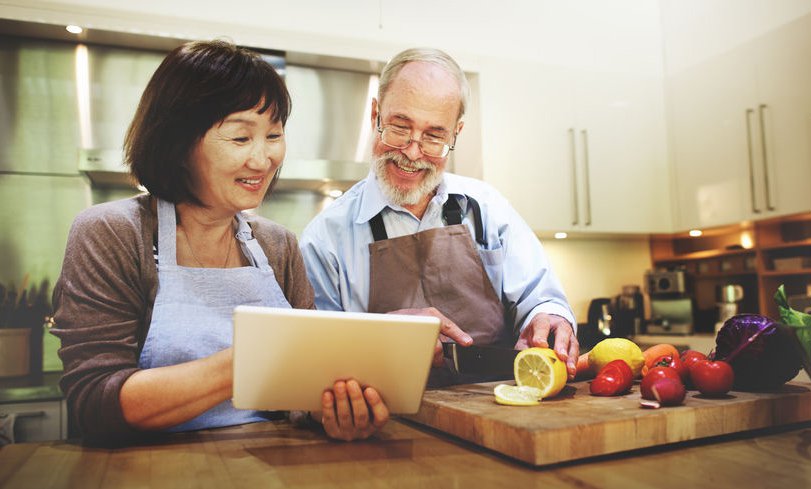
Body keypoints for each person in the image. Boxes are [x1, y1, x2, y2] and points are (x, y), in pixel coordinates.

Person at [51, 39, 386, 446]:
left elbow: (299, 394)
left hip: (268, 467)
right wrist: (250, 360)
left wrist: (331, 411)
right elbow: (94, 405)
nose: (263, 160)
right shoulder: (112, 234)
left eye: (274, 135)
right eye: (240, 138)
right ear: (179, 144)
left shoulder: (277, 245)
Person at [300, 47, 580, 386]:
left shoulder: (487, 207)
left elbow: (540, 298)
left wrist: (548, 317)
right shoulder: (325, 239)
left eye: (434, 136)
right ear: (375, 114)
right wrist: (380, 339)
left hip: (499, 411)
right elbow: (317, 361)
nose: (413, 152)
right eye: (399, 127)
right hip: (384, 425)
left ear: (455, 134)